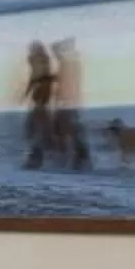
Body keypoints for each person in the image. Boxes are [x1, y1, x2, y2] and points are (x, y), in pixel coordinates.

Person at [52, 36, 93, 171]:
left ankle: (76, 159)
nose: (55, 54)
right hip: (70, 103)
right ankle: (79, 158)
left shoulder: (68, 63)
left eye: (57, 51)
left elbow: (67, 85)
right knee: (71, 131)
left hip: (67, 104)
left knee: (67, 131)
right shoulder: (70, 63)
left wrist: (61, 100)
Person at [20, 41, 57, 168]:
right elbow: (34, 76)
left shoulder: (40, 61)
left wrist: (30, 91)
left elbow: (37, 76)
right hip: (41, 95)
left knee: (36, 125)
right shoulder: (41, 61)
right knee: (36, 125)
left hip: (42, 95)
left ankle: (37, 156)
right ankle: (39, 155)